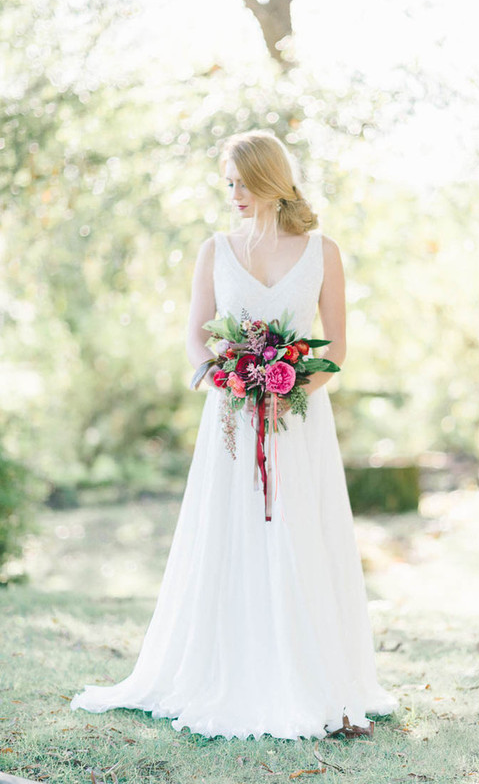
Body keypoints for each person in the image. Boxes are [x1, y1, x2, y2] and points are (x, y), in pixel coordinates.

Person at [70, 129, 398, 740]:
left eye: (243, 181)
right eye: (228, 183)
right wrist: (229, 384)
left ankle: (310, 674)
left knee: (299, 533)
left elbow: (339, 349)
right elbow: (196, 335)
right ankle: (228, 667)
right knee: (233, 531)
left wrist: (287, 392)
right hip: (229, 420)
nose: (235, 193)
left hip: (298, 424)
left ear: (273, 180)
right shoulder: (214, 249)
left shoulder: (323, 252)